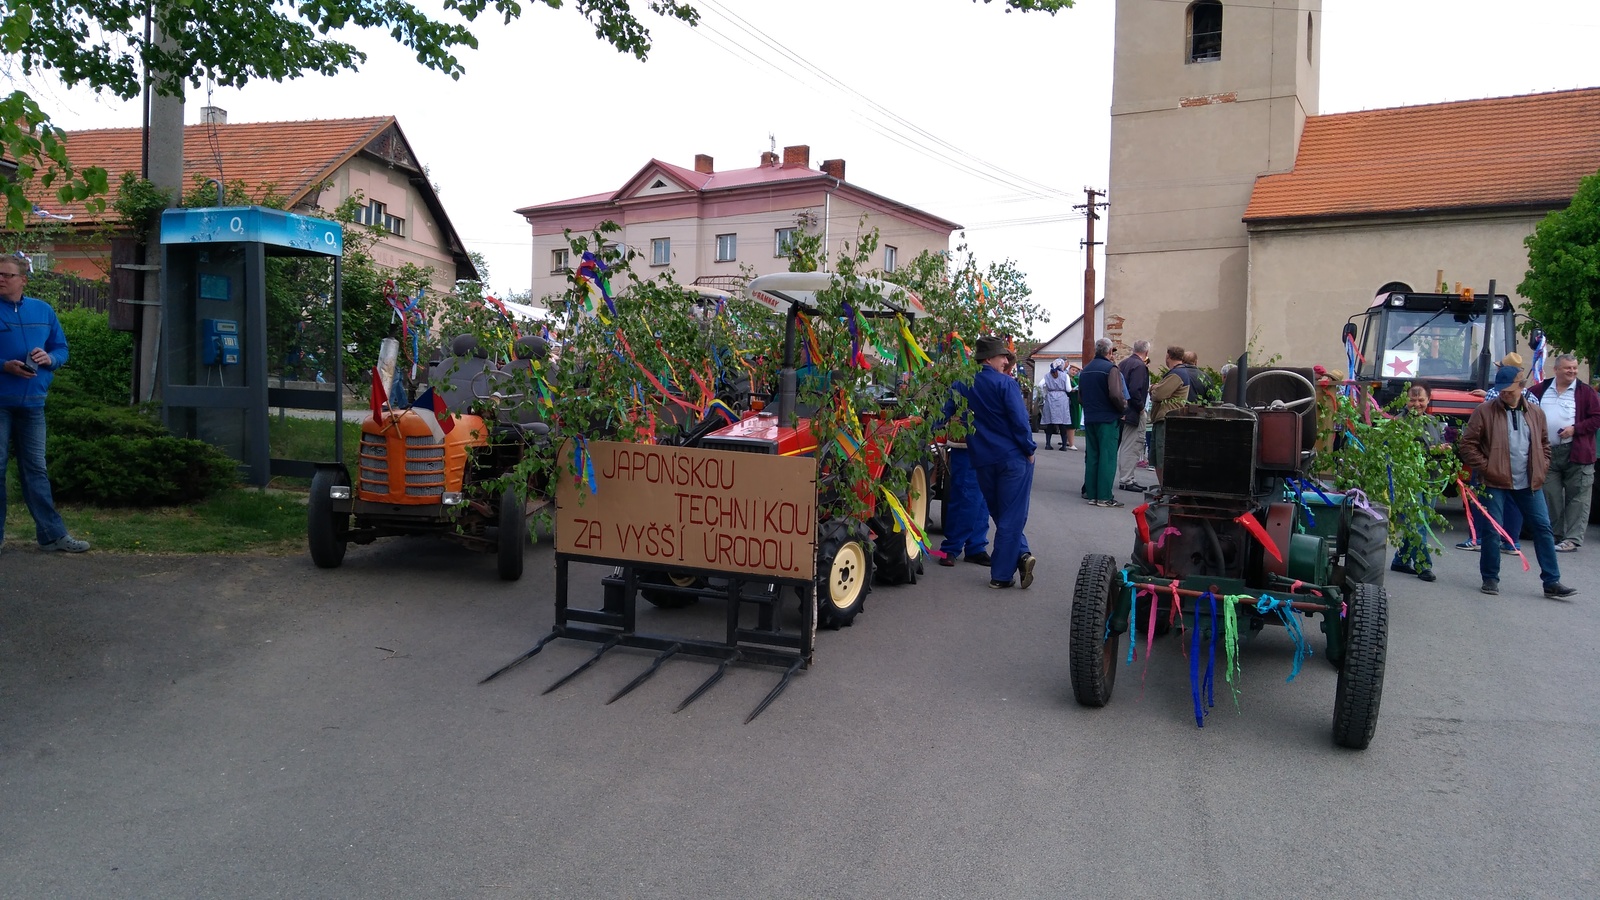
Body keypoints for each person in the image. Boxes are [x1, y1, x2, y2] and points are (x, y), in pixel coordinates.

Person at [1458, 362, 1575, 598]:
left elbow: (1544, 444)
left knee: (1543, 528)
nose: (1504, 393)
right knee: (1492, 529)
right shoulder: (1485, 411)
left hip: (1529, 482)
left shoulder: (1535, 412)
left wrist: (1542, 467)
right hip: (1494, 481)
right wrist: (1488, 468)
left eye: (1509, 390)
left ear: (1521, 387)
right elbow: (1467, 445)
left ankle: (1552, 581)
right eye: (1501, 389)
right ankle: (1490, 578)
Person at [0, 255, 91, 554]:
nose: (1, 279)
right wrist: (4, 366)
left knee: (36, 470)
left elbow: (61, 348)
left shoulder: (43, 310)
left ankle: (52, 536)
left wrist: (49, 359)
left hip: (34, 404)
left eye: (7, 275)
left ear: (23, 279)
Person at [952, 335, 1036, 589]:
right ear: (990, 358)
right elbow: (1019, 421)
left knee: (1000, 512)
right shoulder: (1006, 384)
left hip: (982, 459)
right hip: (1011, 458)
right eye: (1003, 357)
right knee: (1012, 515)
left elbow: (943, 410)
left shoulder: (962, 384)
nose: (1006, 362)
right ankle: (1001, 575)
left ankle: (1022, 554)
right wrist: (1030, 449)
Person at [1527, 353, 1600, 551]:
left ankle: (1572, 539)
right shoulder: (1540, 389)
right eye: (1568, 368)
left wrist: (1575, 429)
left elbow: (1597, 418)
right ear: (1556, 369)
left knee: (1578, 497)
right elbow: (1522, 402)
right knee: (1549, 495)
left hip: (1577, 452)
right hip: (1548, 452)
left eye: (1575, 368)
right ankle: (1553, 534)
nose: (1572, 371)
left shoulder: (1586, 392)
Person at [1458, 356, 1524, 555]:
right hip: (1518, 464)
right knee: (1513, 503)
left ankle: (1477, 538)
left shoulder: (1491, 398)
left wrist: (1485, 465)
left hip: (1493, 463)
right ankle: (1512, 541)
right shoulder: (1533, 399)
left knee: (1483, 502)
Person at [1389, 384, 1445, 583]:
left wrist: (1445, 449)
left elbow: (1440, 444)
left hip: (1431, 478)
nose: (1417, 404)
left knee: (1422, 521)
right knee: (1417, 521)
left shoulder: (1434, 421)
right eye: (1412, 400)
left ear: (1428, 400)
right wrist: (1432, 451)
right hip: (1408, 479)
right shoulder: (1398, 423)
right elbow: (1396, 453)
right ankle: (1424, 565)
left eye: (1421, 400)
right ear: (1405, 400)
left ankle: (1401, 560)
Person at [934, 383, 992, 571]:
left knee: (982, 499)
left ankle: (975, 546)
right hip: (966, 444)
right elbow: (947, 408)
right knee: (966, 496)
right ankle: (952, 546)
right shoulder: (965, 381)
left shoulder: (1001, 380)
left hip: (990, 447)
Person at [1078, 337, 1127, 507]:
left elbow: (1081, 396)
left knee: (1092, 456)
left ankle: (1092, 494)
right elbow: (1115, 394)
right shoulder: (1110, 369)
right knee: (1107, 457)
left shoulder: (1085, 370)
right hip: (1107, 418)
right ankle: (1104, 496)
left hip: (1091, 417)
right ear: (1108, 351)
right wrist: (1122, 409)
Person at [1147, 346, 1192, 482]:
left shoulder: (1176, 375)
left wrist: (1153, 387)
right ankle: (1164, 489)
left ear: (1168, 356)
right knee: (1156, 458)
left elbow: (1158, 394)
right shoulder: (1176, 373)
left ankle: (1167, 489)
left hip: (1166, 418)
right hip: (1162, 418)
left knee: (1162, 457)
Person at [1116, 339, 1152, 492]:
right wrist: (1141, 408)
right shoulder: (1139, 366)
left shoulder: (1123, 363)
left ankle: (1127, 477)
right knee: (1133, 445)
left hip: (1122, 410)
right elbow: (1135, 389)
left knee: (1126, 445)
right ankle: (1127, 479)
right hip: (1133, 411)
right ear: (1146, 352)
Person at [1040, 361, 1073, 451]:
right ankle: (1064, 446)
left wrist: (1045, 394)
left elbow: (1040, 385)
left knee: (1050, 422)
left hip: (1050, 398)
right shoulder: (1065, 376)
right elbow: (1068, 389)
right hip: (1062, 398)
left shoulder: (1047, 375)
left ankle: (1048, 444)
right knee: (1062, 422)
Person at [1065, 363, 1082, 450]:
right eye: (1073, 370)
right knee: (1072, 422)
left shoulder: (1075, 379)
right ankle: (1071, 443)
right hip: (1070, 401)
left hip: (1076, 402)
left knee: (1075, 420)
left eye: (1076, 371)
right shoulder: (1066, 378)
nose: (1074, 372)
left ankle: (1069, 441)